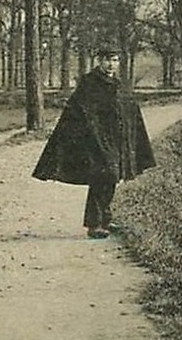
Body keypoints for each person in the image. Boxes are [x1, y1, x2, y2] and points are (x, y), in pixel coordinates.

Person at [32, 47, 155, 239]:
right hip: (95, 140)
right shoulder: (89, 83)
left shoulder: (118, 83)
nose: (110, 64)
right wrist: (91, 133)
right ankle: (94, 224)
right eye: (107, 60)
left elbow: (129, 108)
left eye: (114, 60)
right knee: (103, 176)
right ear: (99, 61)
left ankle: (105, 219)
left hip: (116, 139)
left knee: (113, 177)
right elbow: (79, 110)